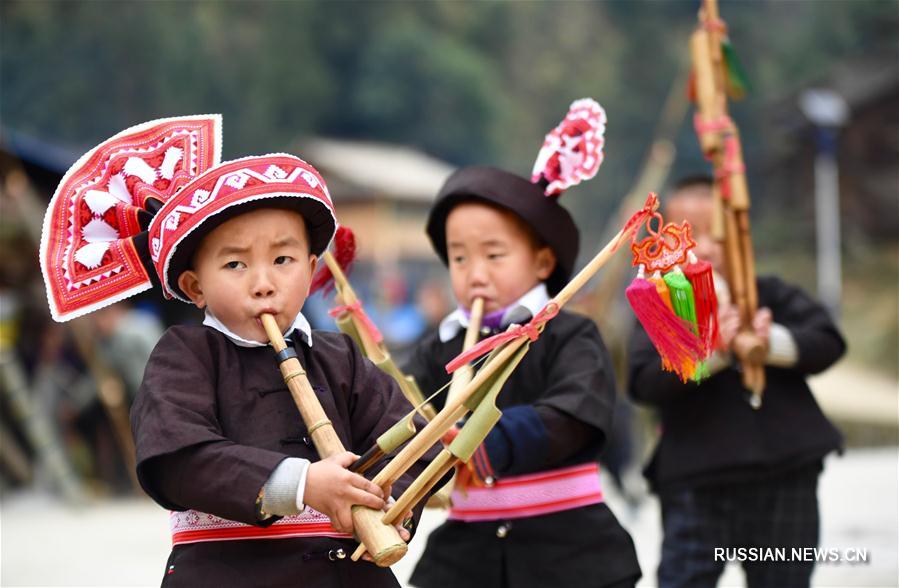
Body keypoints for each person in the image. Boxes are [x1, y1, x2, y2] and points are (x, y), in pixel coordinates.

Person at [39, 116, 436, 587]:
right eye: (235, 264)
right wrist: (304, 484)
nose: (263, 284)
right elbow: (177, 458)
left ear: (311, 269)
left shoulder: (341, 356)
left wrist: (393, 506)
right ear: (195, 286)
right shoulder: (184, 355)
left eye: (283, 260)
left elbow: (412, 443)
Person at [406, 99, 641, 588]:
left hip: (570, 549)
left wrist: (487, 438)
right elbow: (405, 415)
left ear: (541, 262)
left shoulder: (571, 333)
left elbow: (578, 411)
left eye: (494, 254)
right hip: (466, 555)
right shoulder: (438, 347)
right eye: (459, 258)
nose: (476, 274)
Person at [628, 175, 846, 588]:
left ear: (743, 237)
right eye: (687, 237)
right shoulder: (662, 306)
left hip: (785, 470)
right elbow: (643, 381)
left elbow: (828, 342)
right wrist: (712, 350)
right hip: (697, 479)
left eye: (718, 235)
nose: (706, 249)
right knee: (684, 578)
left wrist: (767, 341)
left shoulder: (767, 293)